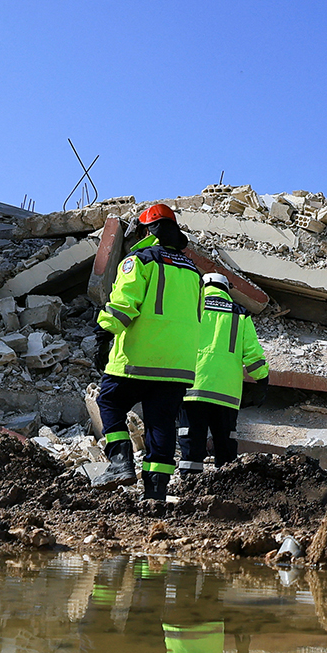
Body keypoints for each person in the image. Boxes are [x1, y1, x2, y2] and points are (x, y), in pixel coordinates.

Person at [95, 203, 205, 505]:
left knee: (108, 400)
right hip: (177, 365)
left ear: (146, 230)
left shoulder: (140, 260)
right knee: (161, 424)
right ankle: (155, 491)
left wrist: (104, 334)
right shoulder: (192, 270)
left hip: (138, 358)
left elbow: (123, 306)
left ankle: (120, 462)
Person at [177, 273, 269, 482]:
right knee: (225, 444)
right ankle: (227, 486)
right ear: (226, 289)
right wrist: (262, 380)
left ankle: (189, 484)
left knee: (192, 439)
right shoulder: (240, 314)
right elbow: (253, 354)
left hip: (192, 389)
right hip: (226, 394)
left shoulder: (191, 306)